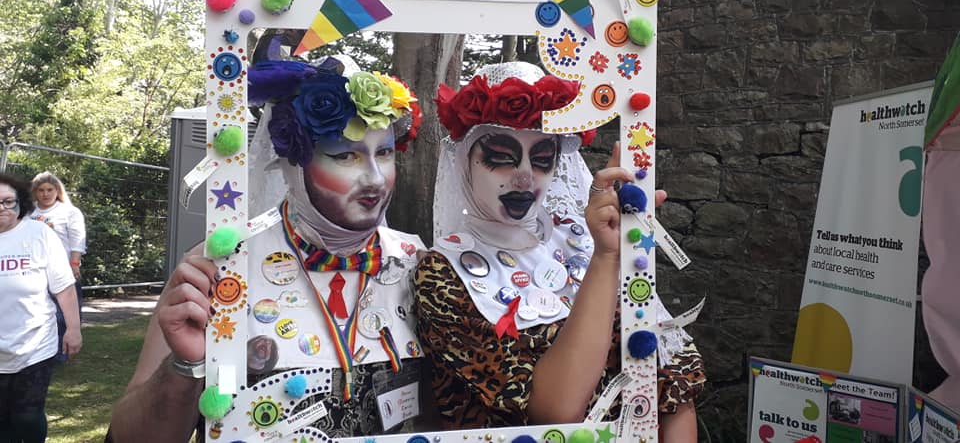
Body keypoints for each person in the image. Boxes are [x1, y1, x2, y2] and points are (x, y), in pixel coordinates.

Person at [108, 56, 426, 441]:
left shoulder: (418, 264)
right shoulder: (223, 268)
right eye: (346, 155)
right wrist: (186, 366)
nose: (375, 178)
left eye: (385, 153)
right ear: (294, 161)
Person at [415, 62, 706, 439]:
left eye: (541, 159)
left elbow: (670, 383)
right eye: (501, 157)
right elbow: (555, 412)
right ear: (464, 161)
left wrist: (607, 253)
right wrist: (605, 260)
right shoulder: (442, 273)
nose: (524, 176)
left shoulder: (578, 238)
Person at [0, 173, 82, 443]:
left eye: (8, 201)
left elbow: (64, 288)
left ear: (20, 203)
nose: (2, 207)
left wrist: (73, 329)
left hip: (35, 343)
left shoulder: (40, 234)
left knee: (27, 414)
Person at [30, 171, 86, 353]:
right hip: (34, 269)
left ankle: (64, 348)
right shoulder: (27, 212)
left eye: (49, 189)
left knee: (64, 312)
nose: (45, 194)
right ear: (35, 192)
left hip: (62, 269)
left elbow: (78, 240)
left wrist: (74, 263)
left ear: (57, 191)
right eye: (41, 190)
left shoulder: (69, 212)